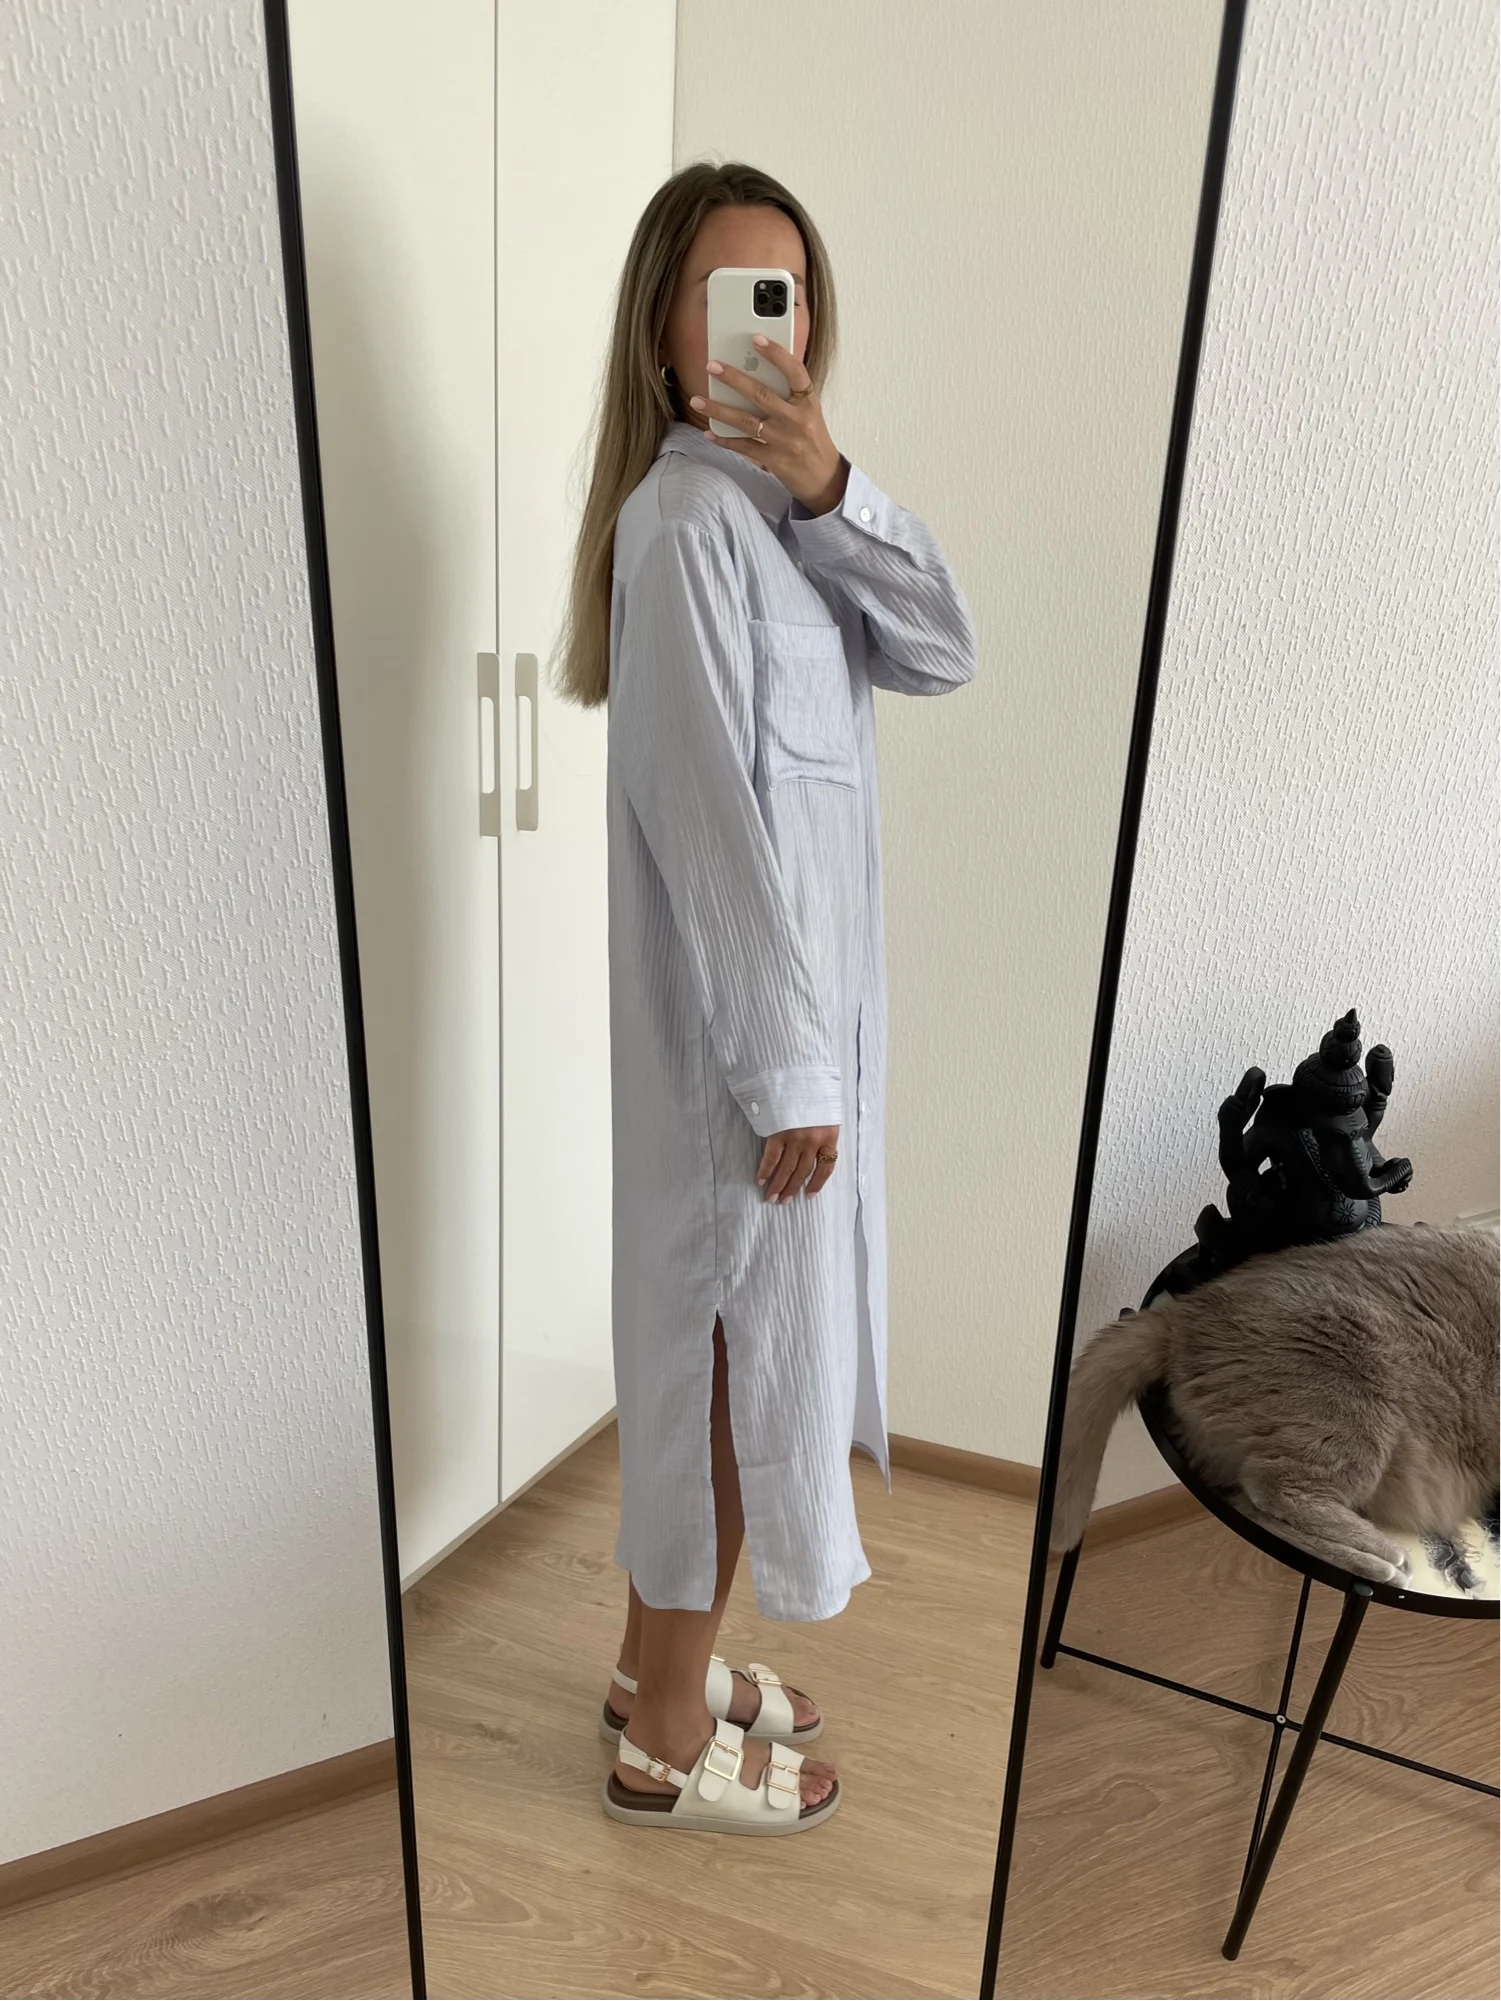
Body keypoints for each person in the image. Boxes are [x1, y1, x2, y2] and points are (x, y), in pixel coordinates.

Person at [557, 161, 976, 1835]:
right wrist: (791, 1073)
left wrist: (833, 487)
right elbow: (707, 821)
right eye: (730, 293)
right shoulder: (676, 533)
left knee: (740, 1370)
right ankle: (664, 1738)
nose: (765, 327)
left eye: (785, 296)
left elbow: (942, 647)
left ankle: (648, 1663)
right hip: (746, 1071)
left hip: (794, 1060)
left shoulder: (795, 529)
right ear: (666, 331)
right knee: (728, 1382)